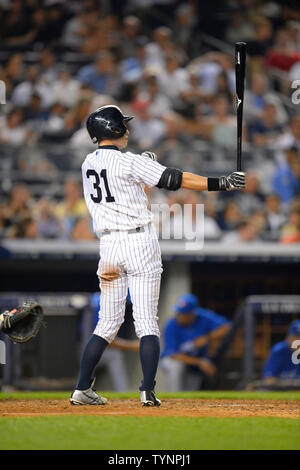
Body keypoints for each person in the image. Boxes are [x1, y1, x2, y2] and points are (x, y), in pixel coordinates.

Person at [70, 105, 245, 407]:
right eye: (122, 125)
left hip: (109, 247)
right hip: (139, 243)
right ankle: (147, 390)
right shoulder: (130, 162)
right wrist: (222, 183)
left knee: (107, 323)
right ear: (112, 130)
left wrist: (144, 169)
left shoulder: (88, 162)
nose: (127, 129)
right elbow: (176, 179)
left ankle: (81, 388)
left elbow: (129, 187)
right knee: (146, 321)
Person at [161, 294, 230, 391]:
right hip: (175, 360)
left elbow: (227, 327)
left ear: (192, 313)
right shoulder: (171, 325)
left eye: (184, 313)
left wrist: (207, 338)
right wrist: (200, 362)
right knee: (176, 366)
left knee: (190, 391)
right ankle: (173, 396)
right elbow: (173, 354)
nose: (180, 316)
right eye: (179, 312)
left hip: (195, 364)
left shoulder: (203, 317)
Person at [262, 320, 300, 387]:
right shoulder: (279, 350)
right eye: (296, 338)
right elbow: (268, 380)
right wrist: (288, 383)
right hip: (280, 390)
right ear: (289, 338)